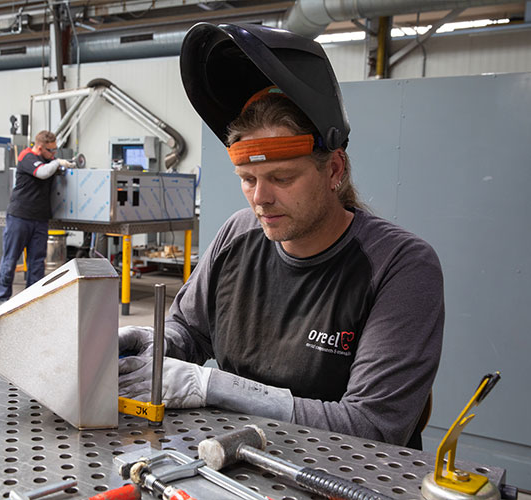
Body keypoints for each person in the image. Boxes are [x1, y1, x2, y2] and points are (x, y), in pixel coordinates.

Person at [118, 23, 444, 449]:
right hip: (236, 456)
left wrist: (214, 387)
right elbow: (192, 332)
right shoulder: (238, 232)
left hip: (343, 476)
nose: (261, 199)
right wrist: (154, 343)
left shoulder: (400, 265)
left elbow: (373, 427)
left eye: (281, 177)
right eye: (247, 178)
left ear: (335, 170)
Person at [0, 130, 70, 303]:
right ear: (39, 147)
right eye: (50, 150)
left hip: (40, 219)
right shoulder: (27, 156)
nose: (53, 154)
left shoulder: (49, 160)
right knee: (10, 259)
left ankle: (32, 301)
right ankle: (2, 300)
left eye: (55, 150)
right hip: (19, 217)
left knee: (37, 262)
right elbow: (42, 173)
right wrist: (58, 162)